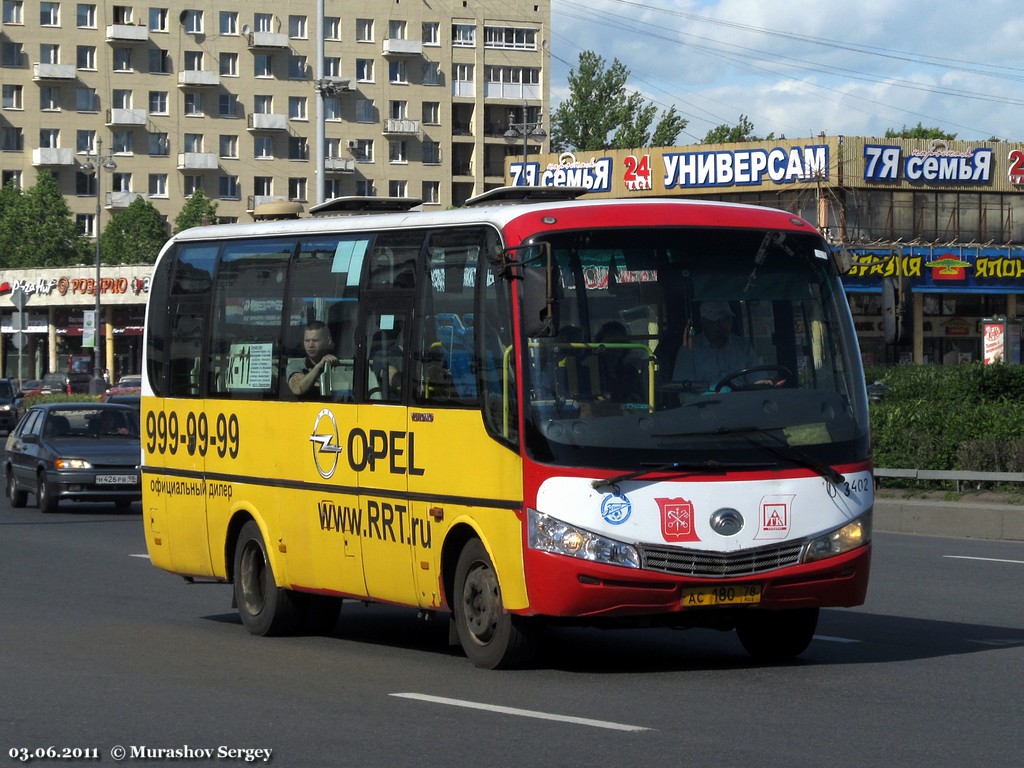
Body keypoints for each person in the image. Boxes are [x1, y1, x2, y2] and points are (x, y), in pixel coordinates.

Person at [672, 301, 760, 389]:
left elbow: (757, 380)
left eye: (726, 319)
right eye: (716, 321)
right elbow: (683, 390)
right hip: (705, 402)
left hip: (742, 401)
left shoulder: (743, 347)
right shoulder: (689, 349)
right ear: (703, 321)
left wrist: (763, 383)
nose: (722, 326)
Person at [287, 320, 339, 399]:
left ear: (328, 341)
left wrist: (307, 379)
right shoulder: (296, 364)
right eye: (307, 341)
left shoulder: (339, 364)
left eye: (315, 340)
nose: (310, 345)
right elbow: (297, 389)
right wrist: (318, 366)